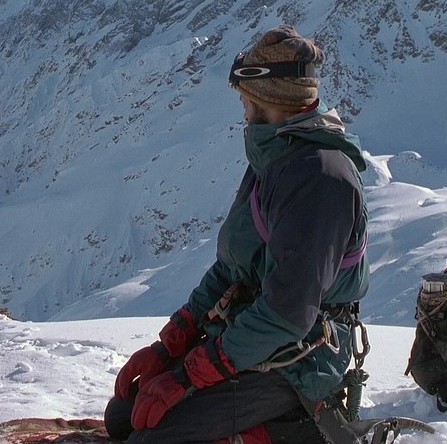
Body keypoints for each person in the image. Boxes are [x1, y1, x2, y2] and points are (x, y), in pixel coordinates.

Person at [104, 26, 370, 443]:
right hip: (256, 334)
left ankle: (294, 429)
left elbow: (287, 313)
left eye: (247, 101)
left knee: (150, 438)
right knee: (123, 416)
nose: (243, 112)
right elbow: (233, 268)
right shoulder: (275, 159)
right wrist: (173, 341)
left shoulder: (320, 178)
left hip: (300, 357)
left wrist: (193, 372)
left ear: (270, 102)